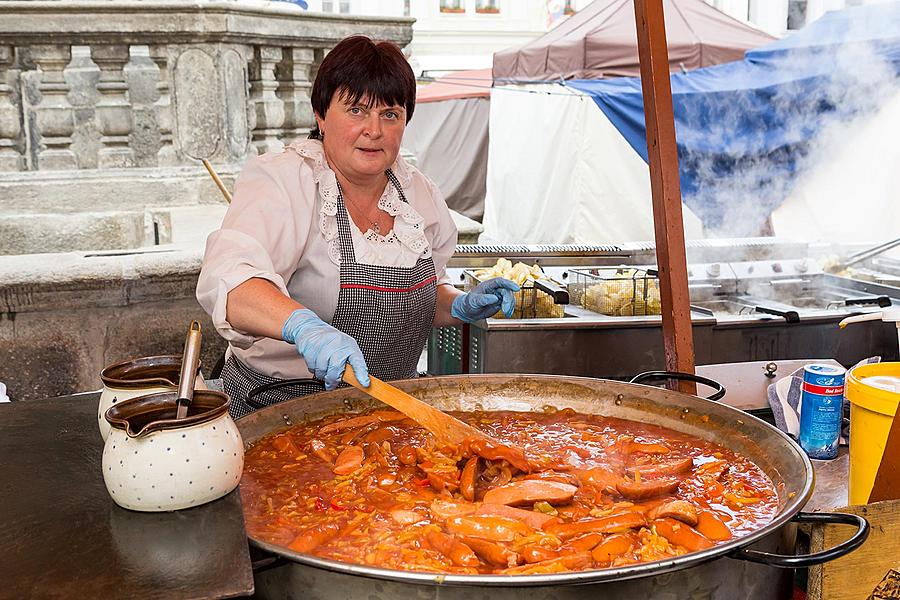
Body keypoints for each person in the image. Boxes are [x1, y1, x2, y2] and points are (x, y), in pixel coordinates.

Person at [196, 35, 519, 418]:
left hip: (388, 411)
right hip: (278, 410)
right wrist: (302, 326)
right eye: (356, 110)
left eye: (390, 114)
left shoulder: (419, 194)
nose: (374, 130)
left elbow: (423, 295)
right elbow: (232, 283)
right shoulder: (285, 181)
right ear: (321, 115)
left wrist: (459, 305)